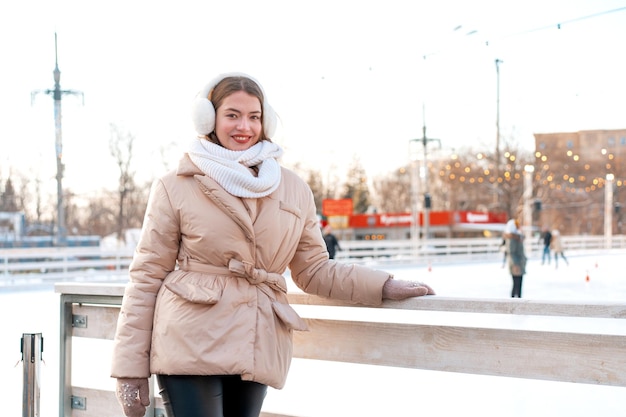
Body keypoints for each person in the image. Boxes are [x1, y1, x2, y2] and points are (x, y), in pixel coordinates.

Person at [110, 72, 435, 417]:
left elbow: (314, 270)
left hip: (258, 337)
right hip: (190, 338)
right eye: (232, 115)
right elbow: (146, 276)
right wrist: (129, 369)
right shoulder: (175, 186)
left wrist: (382, 284)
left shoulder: (292, 187)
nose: (244, 127)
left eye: (254, 116)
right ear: (209, 119)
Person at [503, 218, 526, 298]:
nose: (520, 226)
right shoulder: (512, 238)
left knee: (519, 284)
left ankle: (518, 301)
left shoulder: (517, 236)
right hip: (516, 265)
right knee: (516, 284)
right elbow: (511, 252)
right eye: (518, 225)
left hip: (520, 263)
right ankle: (513, 302)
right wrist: (516, 264)